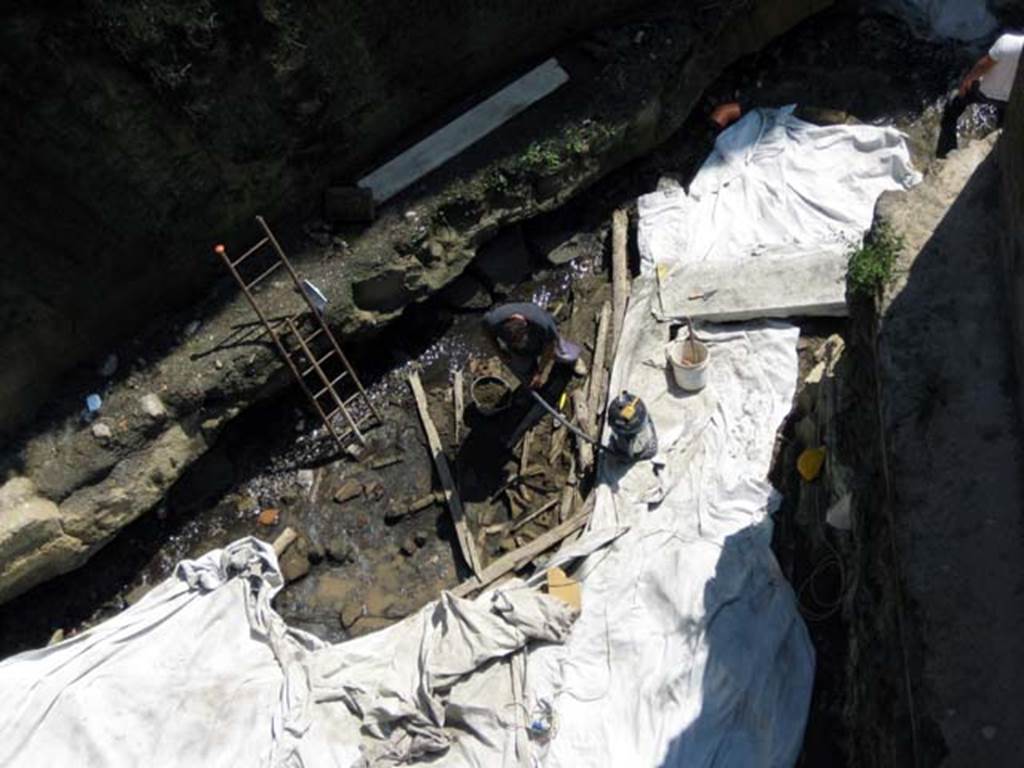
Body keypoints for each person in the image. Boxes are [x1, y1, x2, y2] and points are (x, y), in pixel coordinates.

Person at [937, 32, 1024, 158]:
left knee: (955, 105)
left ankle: (947, 143)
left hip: (984, 90)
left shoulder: (1008, 42)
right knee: (1002, 122)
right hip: (1008, 99)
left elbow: (983, 65)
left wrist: (967, 81)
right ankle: (996, 145)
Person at [482, 302, 579, 389]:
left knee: (565, 355)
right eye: (515, 342)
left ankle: (574, 360)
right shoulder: (492, 320)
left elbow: (549, 347)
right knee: (522, 369)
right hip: (519, 348)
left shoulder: (543, 324)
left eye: (520, 340)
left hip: (544, 340)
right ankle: (532, 378)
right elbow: (487, 333)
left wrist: (540, 372)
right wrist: (499, 352)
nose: (519, 344)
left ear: (526, 327)